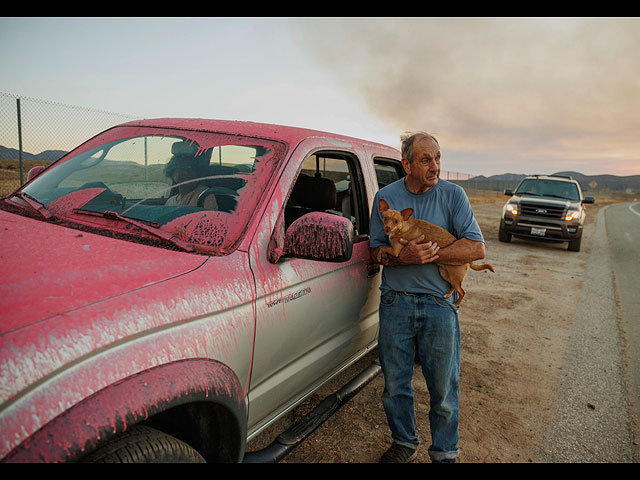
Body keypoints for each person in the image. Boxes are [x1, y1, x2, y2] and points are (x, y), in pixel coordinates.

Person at [369, 132, 486, 463]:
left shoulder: (453, 196)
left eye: (437, 158)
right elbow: (375, 251)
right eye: (425, 160)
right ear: (406, 163)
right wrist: (401, 258)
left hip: (439, 304)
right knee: (395, 385)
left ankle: (445, 452)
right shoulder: (386, 199)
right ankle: (404, 442)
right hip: (396, 301)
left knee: (444, 388)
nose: (435, 166)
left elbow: (476, 247)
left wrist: (430, 254)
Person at [164, 142, 218, 210]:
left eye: (190, 169)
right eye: (181, 168)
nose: (186, 172)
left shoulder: (204, 195)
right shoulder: (170, 202)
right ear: (172, 172)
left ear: (198, 173)